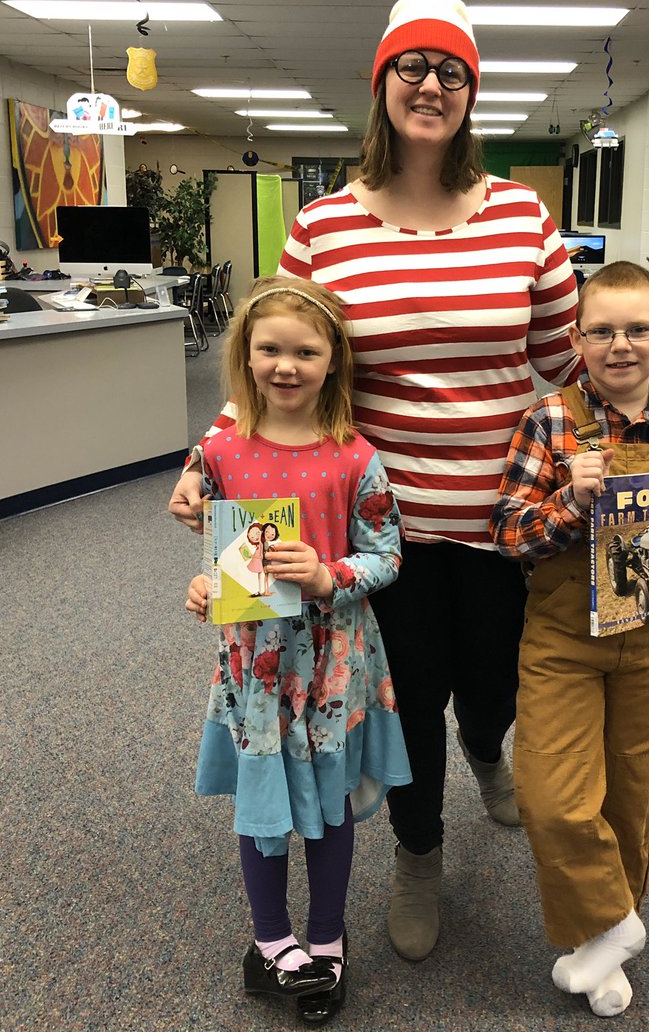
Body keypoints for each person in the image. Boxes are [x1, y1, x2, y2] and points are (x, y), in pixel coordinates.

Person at [170, 0, 649, 963]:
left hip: (509, 514)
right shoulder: (325, 226)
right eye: (412, 68)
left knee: (496, 689)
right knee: (408, 695)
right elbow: (283, 350)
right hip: (374, 523)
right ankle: (420, 854)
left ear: (469, 92)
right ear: (383, 82)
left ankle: (490, 751)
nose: (430, 86)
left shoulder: (521, 217)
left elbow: (583, 355)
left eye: (450, 71)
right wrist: (205, 458)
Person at [490, 262, 649, 1018]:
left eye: (636, 330)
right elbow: (508, 534)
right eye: (601, 331)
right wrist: (569, 499)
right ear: (575, 337)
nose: (619, 345)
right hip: (563, 633)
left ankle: (599, 944)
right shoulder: (548, 421)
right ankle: (620, 923)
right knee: (552, 796)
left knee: (630, 792)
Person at [184, 276, 410, 1024]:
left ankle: (325, 935)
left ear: (333, 360)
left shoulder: (354, 456)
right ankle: (273, 939)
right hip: (256, 665)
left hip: (333, 665)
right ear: (245, 359)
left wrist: (327, 573)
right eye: (269, 350)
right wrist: (202, 586)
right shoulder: (220, 452)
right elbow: (226, 554)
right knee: (263, 806)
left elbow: (387, 555)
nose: (286, 365)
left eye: (305, 352)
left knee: (332, 806)